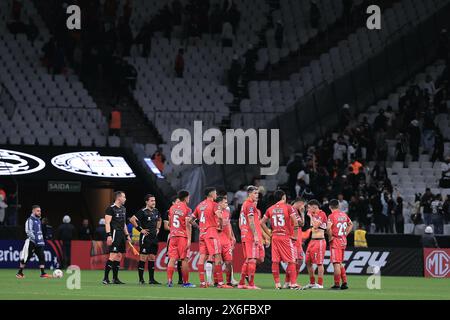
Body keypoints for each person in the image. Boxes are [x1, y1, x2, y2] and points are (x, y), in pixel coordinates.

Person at [192, 187, 232, 289]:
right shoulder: (214, 205)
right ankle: (220, 283)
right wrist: (221, 225)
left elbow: (190, 219)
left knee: (202, 257)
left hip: (202, 234)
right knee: (217, 256)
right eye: (215, 193)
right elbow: (220, 216)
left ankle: (202, 282)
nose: (216, 195)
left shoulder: (200, 205)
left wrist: (199, 227)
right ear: (211, 194)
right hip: (211, 232)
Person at [260, 190, 300, 290]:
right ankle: (293, 283)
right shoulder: (288, 207)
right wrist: (295, 236)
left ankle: (277, 284)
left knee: (275, 261)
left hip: (275, 237)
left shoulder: (270, 209)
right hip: (285, 236)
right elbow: (296, 223)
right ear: (283, 197)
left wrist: (270, 234)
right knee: (291, 261)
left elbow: (261, 223)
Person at [130, 194, 162, 285]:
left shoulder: (156, 211)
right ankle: (141, 279)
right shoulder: (143, 211)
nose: (153, 202)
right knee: (143, 258)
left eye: (154, 200)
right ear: (147, 202)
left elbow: (159, 219)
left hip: (154, 238)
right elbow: (132, 219)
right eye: (151, 201)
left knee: (152, 258)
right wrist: (141, 230)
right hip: (146, 238)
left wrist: (158, 229)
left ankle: (151, 279)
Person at [166, 190, 195, 288]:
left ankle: (169, 281)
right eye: (189, 197)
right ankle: (186, 282)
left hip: (173, 236)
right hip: (182, 237)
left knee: (172, 259)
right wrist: (189, 239)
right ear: (186, 198)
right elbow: (187, 224)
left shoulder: (172, 208)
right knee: (184, 259)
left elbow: (170, 223)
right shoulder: (187, 209)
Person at [238, 185, 264, 290]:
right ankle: (251, 284)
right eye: (255, 193)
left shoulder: (244, 204)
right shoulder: (250, 205)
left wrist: (243, 231)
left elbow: (241, 221)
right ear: (249, 194)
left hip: (245, 234)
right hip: (251, 235)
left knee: (249, 259)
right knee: (252, 259)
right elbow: (251, 221)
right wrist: (255, 235)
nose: (257, 195)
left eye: (257, 193)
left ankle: (241, 283)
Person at [102, 191, 131, 285]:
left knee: (119, 256)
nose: (125, 199)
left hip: (122, 234)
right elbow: (107, 223)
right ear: (119, 198)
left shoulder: (123, 208)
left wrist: (127, 235)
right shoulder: (110, 209)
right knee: (113, 255)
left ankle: (115, 278)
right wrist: (108, 235)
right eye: (124, 197)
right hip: (114, 233)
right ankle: (105, 278)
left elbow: (124, 224)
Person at [16, 205, 50, 279]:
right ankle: (20, 272)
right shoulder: (30, 220)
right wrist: (35, 239)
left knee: (42, 256)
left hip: (39, 242)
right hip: (31, 241)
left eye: (40, 211)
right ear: (33, 211)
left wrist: (41, 239)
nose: (39, 212)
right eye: (38, 211)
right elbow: (28, 231)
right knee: (26, 257)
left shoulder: (38, 220)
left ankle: (42, 273)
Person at [327, 199, 353, 290]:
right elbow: (351, 224)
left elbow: (328, 228)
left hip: (336, 241)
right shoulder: (344, 215)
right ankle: (344, 282)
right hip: (343, 240)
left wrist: (330, 238)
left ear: (330, 207)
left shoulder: (331, 216)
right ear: (338, 206)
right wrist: (345, 233)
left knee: (336, 263)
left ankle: (337, 284)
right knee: (340, 262)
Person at [302, 199, 327, 289]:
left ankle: (320, 284)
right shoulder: (312, 214)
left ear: (314, 207)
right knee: (308, 262)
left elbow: (316, 226)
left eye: (309, 207)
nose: (308, 209)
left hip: (320, 241)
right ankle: (312, 282)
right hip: (312, 241)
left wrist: (310, 216)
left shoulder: (322, 214)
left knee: (319, 263)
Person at [216, 195, 236, 287]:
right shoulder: (215, 212)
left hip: (227, 241)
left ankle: (228, 282)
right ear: (219, 203)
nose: (227, 204)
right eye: (225, 202)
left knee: (229, 262)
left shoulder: (227, 212)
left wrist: (232, 236)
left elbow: (228, 224)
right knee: (218, 261)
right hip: (217, 240)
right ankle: (218, 281)